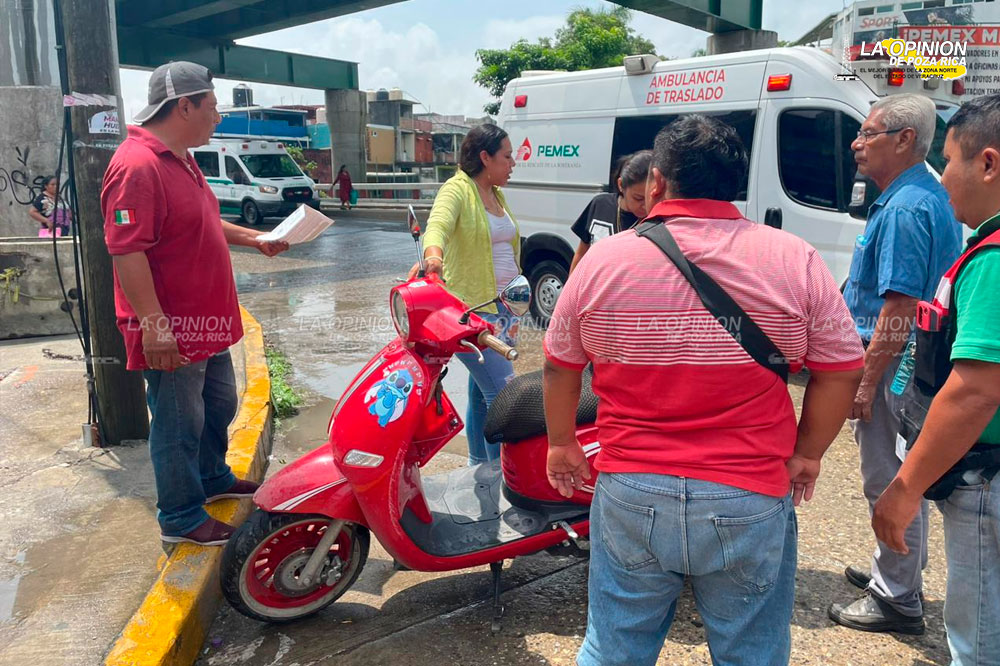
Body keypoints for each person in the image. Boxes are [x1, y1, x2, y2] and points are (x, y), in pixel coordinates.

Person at [543, 114, 864, 666]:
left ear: (658, 183)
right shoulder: (795, 259)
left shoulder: (603, 262)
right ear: (734, 183)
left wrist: (561, 443)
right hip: (749, 494)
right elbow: (840, 369)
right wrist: (808, 453)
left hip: (631, 490)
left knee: (613, 648)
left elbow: (560, 365)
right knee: (752, 653)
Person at [101, 62, 288, 546]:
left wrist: (255, 238)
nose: (218, 118)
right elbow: (126, 248)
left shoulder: (180, 158)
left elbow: (203, 222)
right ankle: (181, 516)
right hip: (175, 326)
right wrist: (155, 327)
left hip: (207, 322)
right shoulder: (137, 165)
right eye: (213, 107)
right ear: (185, 105)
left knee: (218, 403)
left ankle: (210, 478)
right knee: (179, 421)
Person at [872, 94, 1000, 666]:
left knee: (978, 640)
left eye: (948, 160)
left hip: (986, 481)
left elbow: (974, 390)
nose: (941, 175)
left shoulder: (994, 259)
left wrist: (904, 490)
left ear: (989, 164)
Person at [829, 93, 963, 635]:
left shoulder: (906, 207)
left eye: (868, 133)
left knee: (885, 478)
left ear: (905, 139)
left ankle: (897, 597)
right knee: (900, 473)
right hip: (908, 366)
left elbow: (899, 308)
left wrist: (863, 383)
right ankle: (898, 569)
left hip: (893, 370)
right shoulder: (918, 196)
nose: (857, 145)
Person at [409, 124, 520, 464]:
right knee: (503, 396)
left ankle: (478, 467)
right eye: (507, 156)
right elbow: (437, 225)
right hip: (472, 314)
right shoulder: (457, 189)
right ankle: (503, 477)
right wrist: (433, 260)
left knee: (481, 394)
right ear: (485, 157)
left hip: (503, 311)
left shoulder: (496, 194)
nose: (513, 162)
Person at [568, 150, 652, 274]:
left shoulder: (658, 219)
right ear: (621, 185)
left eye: (650, 197)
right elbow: (581, 253)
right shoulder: (600, 204)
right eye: (638, 198)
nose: (645, 205)